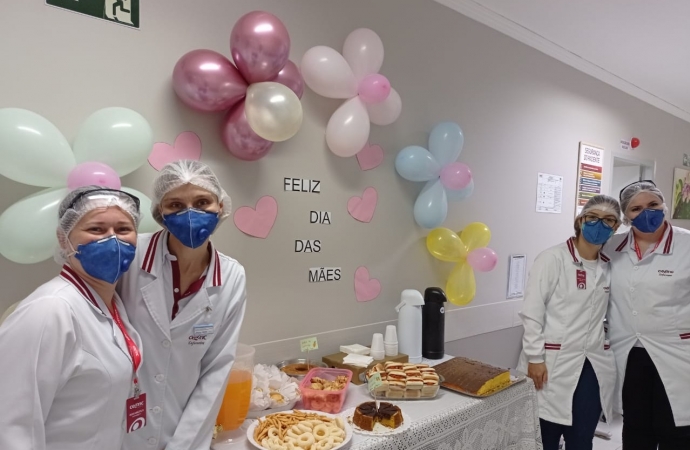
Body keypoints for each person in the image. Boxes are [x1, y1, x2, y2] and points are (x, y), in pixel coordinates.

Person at [0, 186, 143, 450]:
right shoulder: (49, 311)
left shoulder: (111, 303)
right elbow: (11, 427)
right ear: (64, 239)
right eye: (96, 230)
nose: (112, 240)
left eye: (123, 230)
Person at [120, 160, 247, 450]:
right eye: (176, 205)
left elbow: (216, 369)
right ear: (160, 213)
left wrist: (185, 443)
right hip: (118, 427)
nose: (190, 213)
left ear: (221, 207)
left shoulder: (231, 276)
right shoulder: (131, 256)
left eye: (202, 201)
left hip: (183, 427)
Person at [519, 195, 621, 450]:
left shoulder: (609, 266)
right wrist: (534, 357)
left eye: (609, 220)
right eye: (593, 218)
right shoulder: (552, 258)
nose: (600, 224)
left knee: (581, 438)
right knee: (544, 438)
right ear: (580, 220)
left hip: (592, 363)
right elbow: (532, 312)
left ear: (616, 228)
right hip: (551, 362)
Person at [606, 180, 690, 449]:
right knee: (635, 427)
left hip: (677, 352)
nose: (646, 213)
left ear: (663, 204)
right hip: (628, 352)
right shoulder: (611, 248)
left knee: (676, 428)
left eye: (652, 205)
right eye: (635, 208)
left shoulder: (687, 245)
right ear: (625, 215)